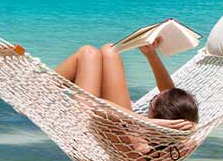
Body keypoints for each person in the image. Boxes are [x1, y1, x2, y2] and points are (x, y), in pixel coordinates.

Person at [55, 36, 199, 123]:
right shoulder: (170, 133)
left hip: (84, 116)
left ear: (155, 116)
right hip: (104, 113)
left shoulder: (139, 145)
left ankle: (43, 89)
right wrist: (151, 54)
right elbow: (169, 93)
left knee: (88, 53)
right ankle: (43, 87)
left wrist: (145, 121)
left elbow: (99, 107)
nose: (158, 94)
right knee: (107, 50)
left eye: (152, 101)